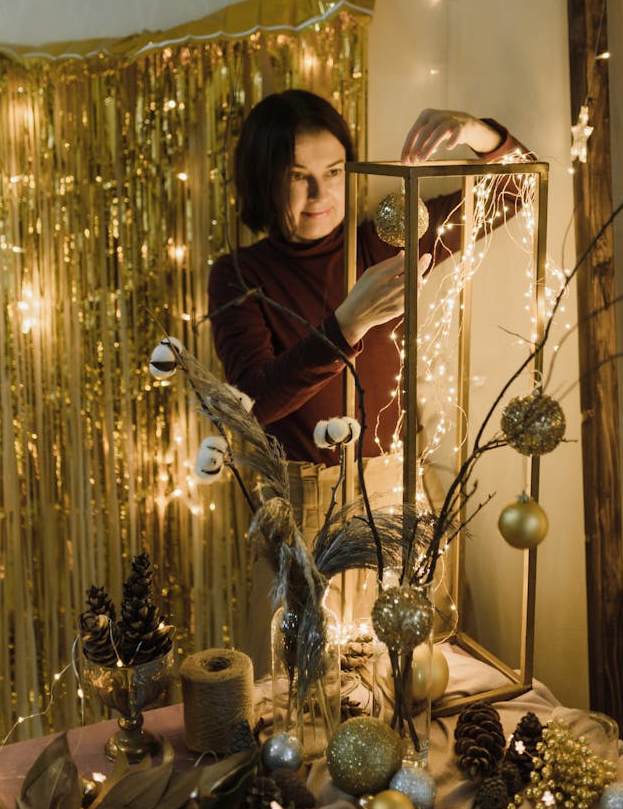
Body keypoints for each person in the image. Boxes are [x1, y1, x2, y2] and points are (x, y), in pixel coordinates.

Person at [208, 91, 530, 669]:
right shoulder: (239, 273)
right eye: (296, 177)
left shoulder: (382, 242)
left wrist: (476, 131)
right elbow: (256, 402)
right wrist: (350, 319)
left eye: (333, 172)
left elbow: (516, 190)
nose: (319, 194)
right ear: (263, 182)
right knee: (306, 699)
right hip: (301, 511)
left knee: (411, 682)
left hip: (395, 497)